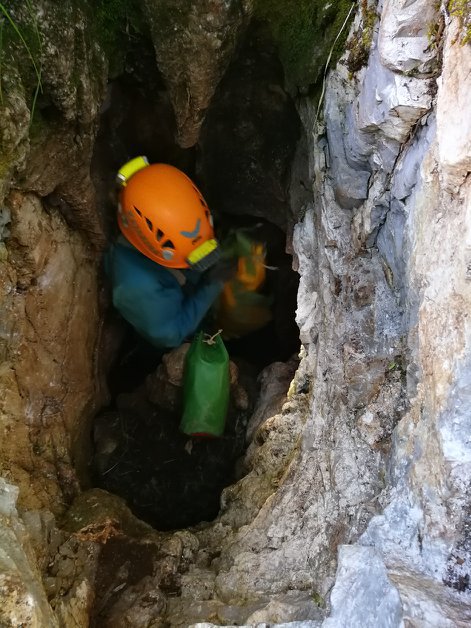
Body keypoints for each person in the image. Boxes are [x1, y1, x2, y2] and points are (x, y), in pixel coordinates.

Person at [105, 156, 229, 349]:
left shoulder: (165, 204)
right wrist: (212, 286)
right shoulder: (137, 288)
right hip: (162, 323)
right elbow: (170, 335)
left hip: (175, 285)